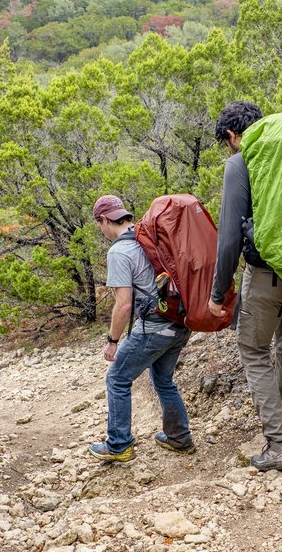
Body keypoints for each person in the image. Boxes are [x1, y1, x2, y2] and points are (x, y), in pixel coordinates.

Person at [207, 102, 282, 472]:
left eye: (227, 143)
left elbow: (229, 239)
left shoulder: (241, 162)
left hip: (266, 274)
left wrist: (218, 293)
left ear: (232, 136)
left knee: (253, 350)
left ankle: (279, 443)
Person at [89, 195, 195, 462]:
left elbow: (123, 304)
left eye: (99, 224)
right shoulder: (150, 238)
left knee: (117, 379)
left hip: (154, 329)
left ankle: (119, 445)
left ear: (104, 220)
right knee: (163, 380)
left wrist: (112, 340)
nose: (101, 230)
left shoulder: (119, 251)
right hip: (180, 323)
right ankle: (179, 438)